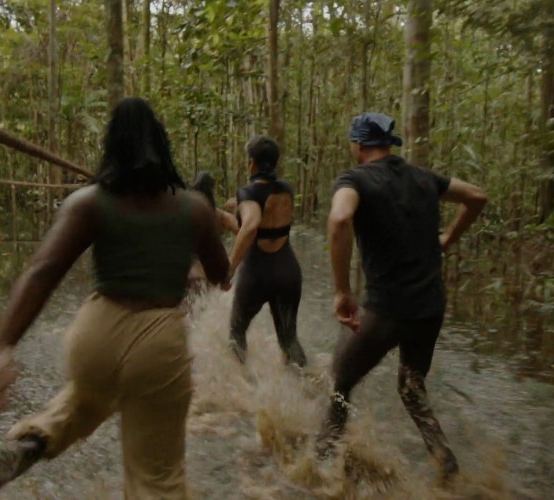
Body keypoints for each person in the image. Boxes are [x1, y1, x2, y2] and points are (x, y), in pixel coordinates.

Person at [0, 97, 230, 499]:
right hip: (158, 342)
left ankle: (33, 442)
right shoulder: (195, 209)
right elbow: (220, 274)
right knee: (156, 479)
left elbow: (41, 272)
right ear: (162, 145)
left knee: (85, 400)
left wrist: (3, 347)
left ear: (111, 147)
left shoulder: (87, 203)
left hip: (95, 338)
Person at [315, 112, 487, 482]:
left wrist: (342, 291)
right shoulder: (425, 178)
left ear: (358, 145)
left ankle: (320, 463)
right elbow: (477, 196)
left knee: (340, 380)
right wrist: (448, 238)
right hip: (429, 309)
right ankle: (445, 460)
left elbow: (340, 218)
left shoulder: (354, 179)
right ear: (387, 144)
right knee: (411, 388)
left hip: (386, 311)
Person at [225, 136, 307, 367]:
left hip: (257, 273)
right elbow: (266, 202)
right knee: (289, 340)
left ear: (251, 163)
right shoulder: (287, 189)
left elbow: (251, 224)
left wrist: (229, 268)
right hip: (288, 272)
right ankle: (307, 384)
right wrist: (238, 202)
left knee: (236, 333)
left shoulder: (247, 193)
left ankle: (241, 384)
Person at [187, 171, 239, 297]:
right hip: (210, 271)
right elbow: (241, 230)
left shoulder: (186, 213)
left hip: (189, 271)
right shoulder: (217, 215)